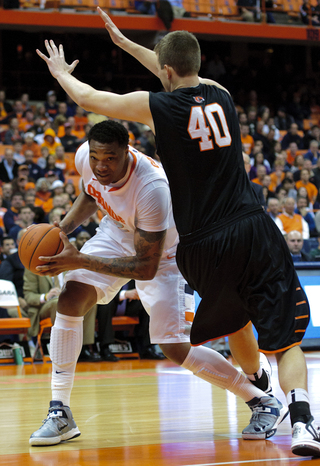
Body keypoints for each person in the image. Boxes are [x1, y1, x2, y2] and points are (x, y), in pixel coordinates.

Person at [35, 22, 319, 456]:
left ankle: (258, 391)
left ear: (164, 72)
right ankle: (293, 414)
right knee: (277, 337)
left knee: (202, 335)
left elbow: (89, 97)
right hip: (246, 224)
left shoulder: (161, 117)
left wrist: (59, 71)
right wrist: (130, 46)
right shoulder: (220, 92)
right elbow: (173, 67)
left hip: (188, 243)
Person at [28, 120, 282, 446]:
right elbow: (91, 193)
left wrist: (78, 259)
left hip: (165, 256)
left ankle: (261, 401)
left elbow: (144, 267)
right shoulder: (86, 158)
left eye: (110, 159)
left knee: (174, 347)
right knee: (70, 297)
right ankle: (59, 411)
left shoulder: (152, 188)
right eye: (95, 158)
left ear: (127, 152)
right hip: (119, 231)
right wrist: (62, 231)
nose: (100, 165)